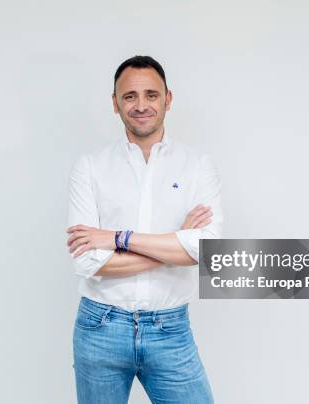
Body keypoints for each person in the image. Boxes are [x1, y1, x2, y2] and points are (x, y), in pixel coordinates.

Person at [66, 55, 222, 404]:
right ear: (115, 103)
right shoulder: (90, 167)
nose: (141, 106)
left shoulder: (197, 166)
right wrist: (176, 243)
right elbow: (88, 262)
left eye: (151, 95)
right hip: (100, 328)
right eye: (129, 96)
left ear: (167, 99)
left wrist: (118, 239)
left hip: (171, 331)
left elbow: (206, 250)